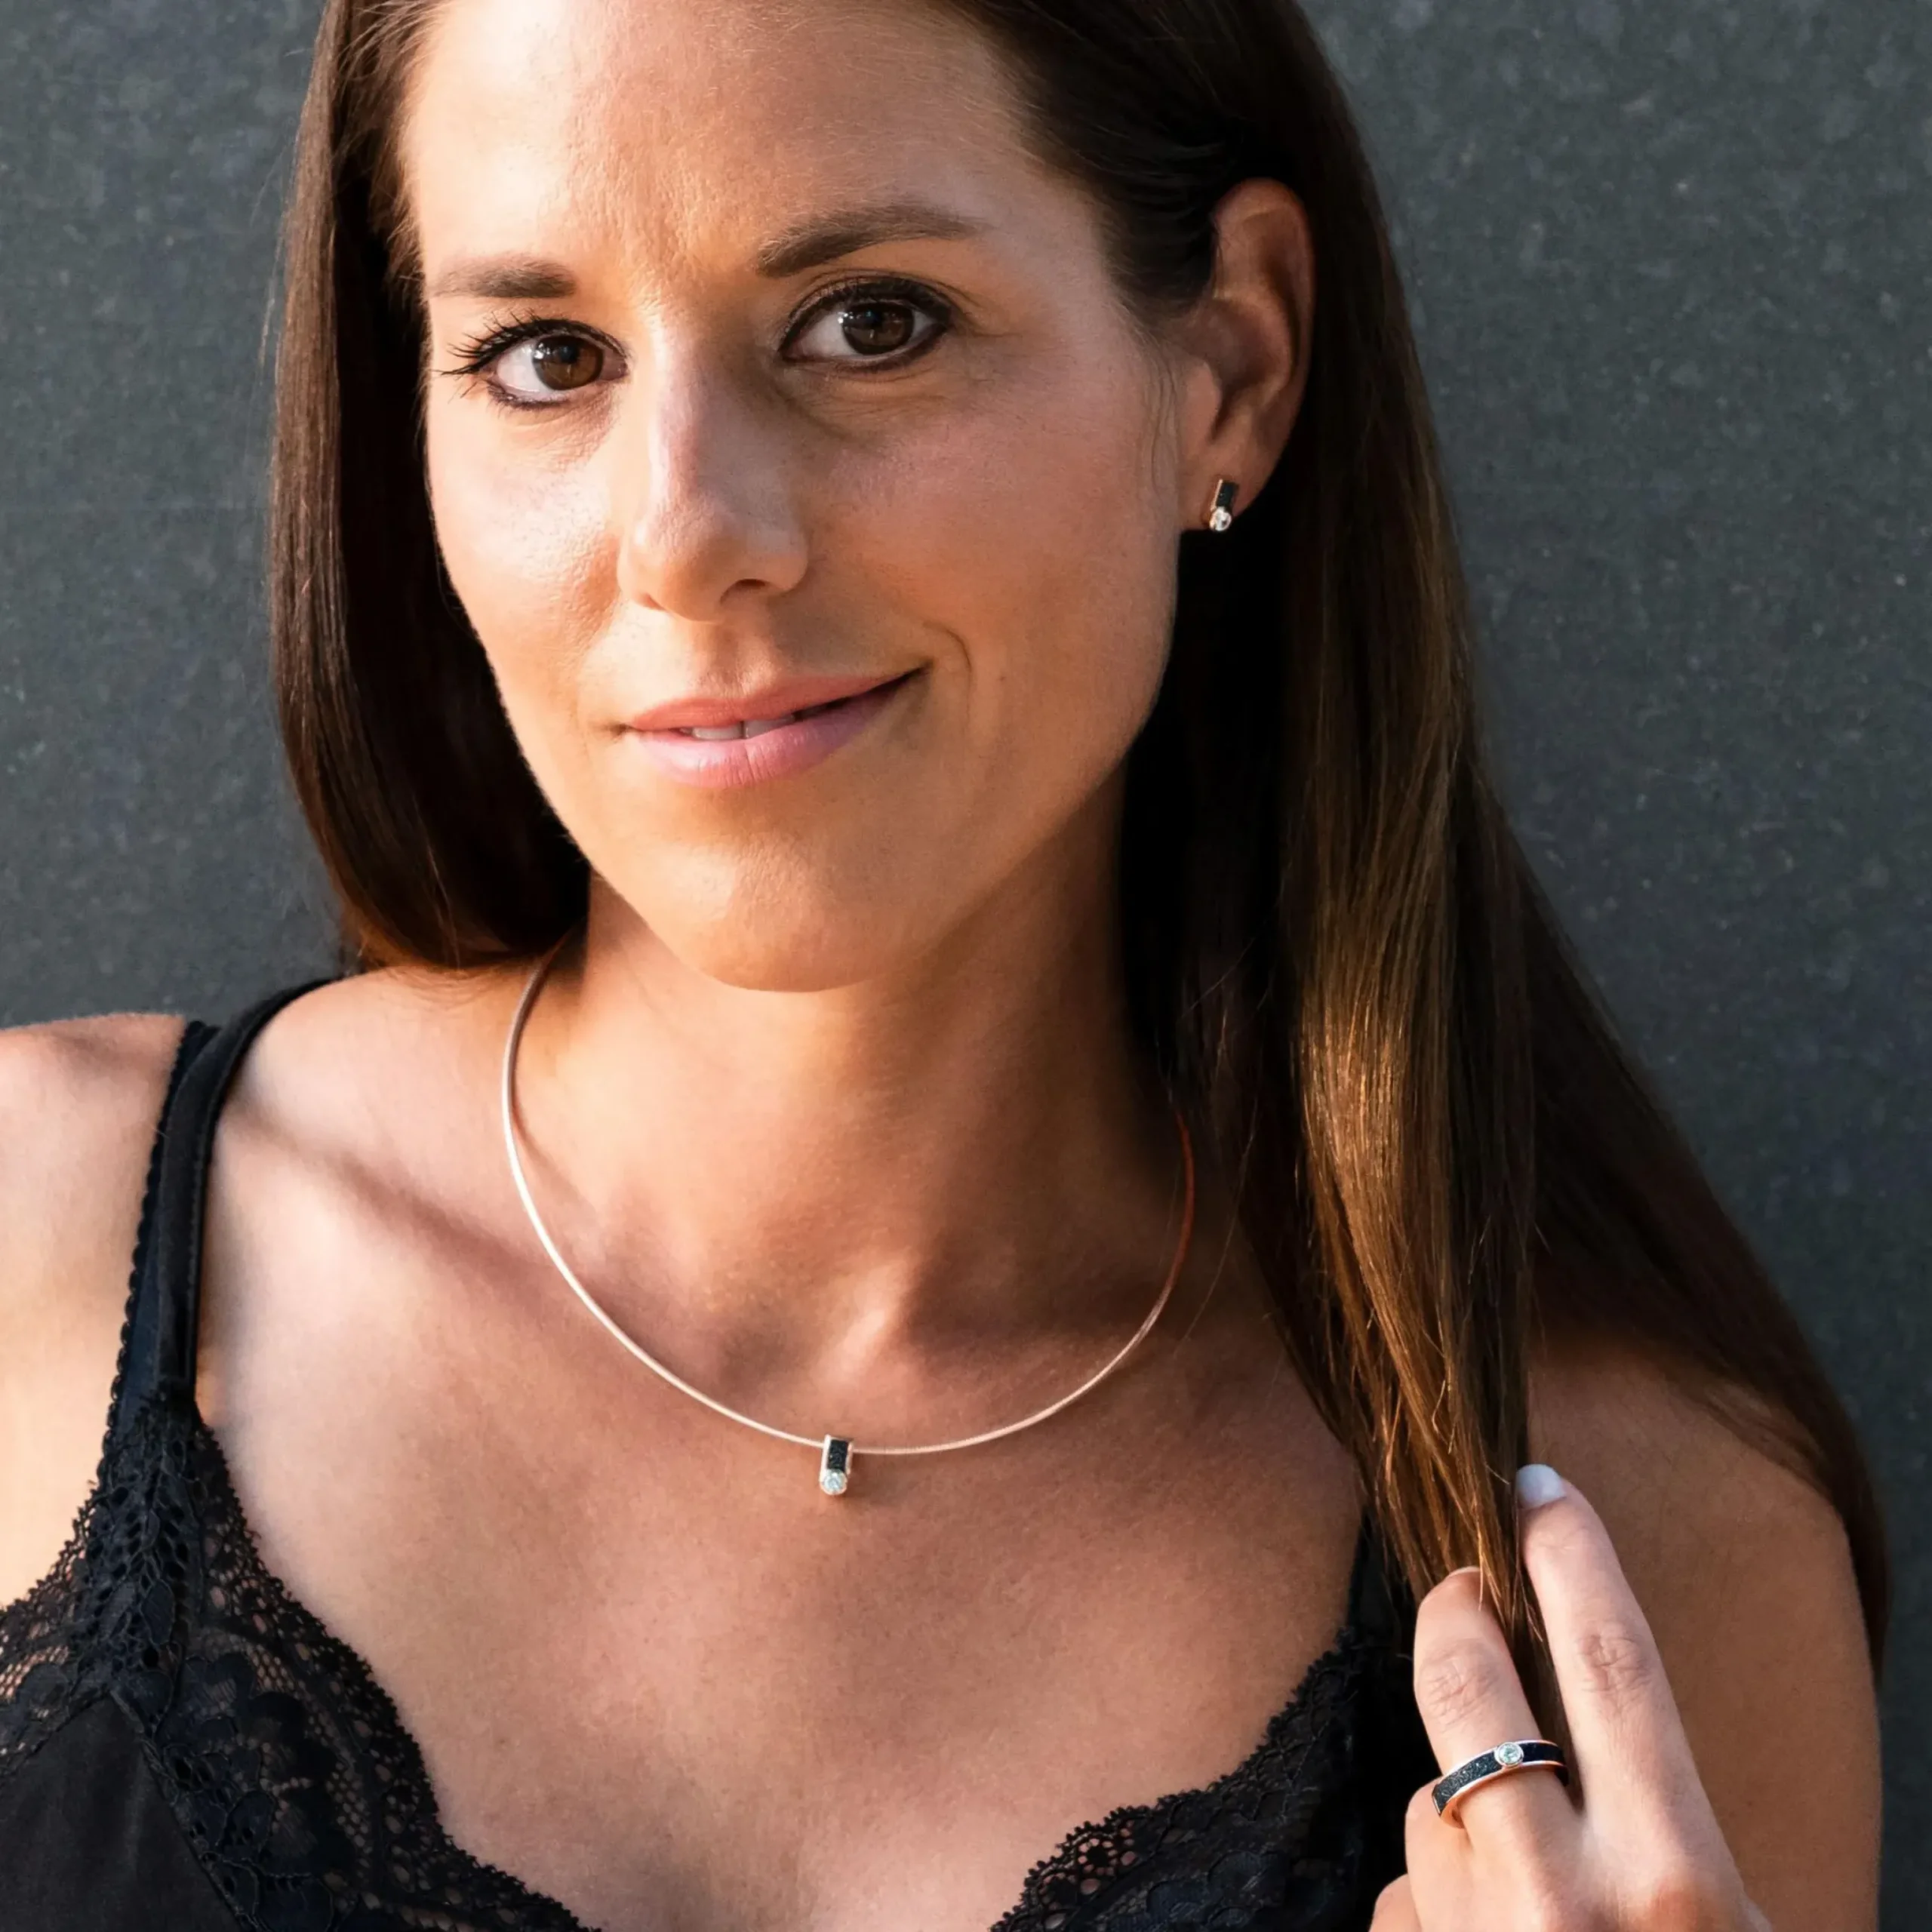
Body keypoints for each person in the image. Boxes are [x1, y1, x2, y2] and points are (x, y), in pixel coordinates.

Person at [0, 0, 1886, 1927]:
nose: (687, 537)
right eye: (545, 357)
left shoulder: (1650, 1577)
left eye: (870, 323)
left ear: (1229, 368)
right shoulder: (31, 1246)